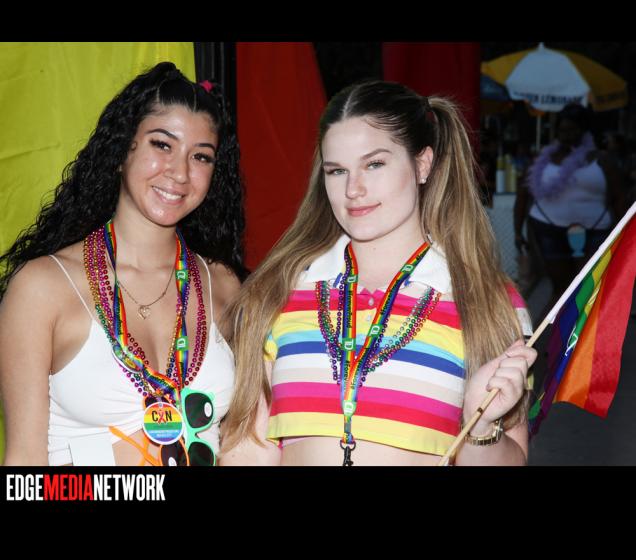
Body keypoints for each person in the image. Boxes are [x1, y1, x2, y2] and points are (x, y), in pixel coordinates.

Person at [220, 80, 537, 466]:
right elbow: (249, 448)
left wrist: (481, 428)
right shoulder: (280, 288)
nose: (353, 189)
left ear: (422, 164)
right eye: (337, 171)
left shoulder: (488, 300)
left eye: (374, 164)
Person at [0, 62, 244, 466]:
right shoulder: (42, 287)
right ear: (121, 151)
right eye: (162, 145)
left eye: (201, 157)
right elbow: (23, 463)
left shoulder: (223, 284)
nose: (180, 172)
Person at [514, 104, 627, 313]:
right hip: (549, 230)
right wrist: (517, 231)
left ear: (584, 131)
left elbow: (619, 197)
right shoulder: (540, 160)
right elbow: (522, 196)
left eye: (573, 130)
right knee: (561, 288)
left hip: (595, 230)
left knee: (586, 288)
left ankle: (581, 330)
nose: (567, 135)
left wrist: (622, 234)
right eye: (562, 130)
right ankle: (552, 331)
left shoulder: (602, 160)